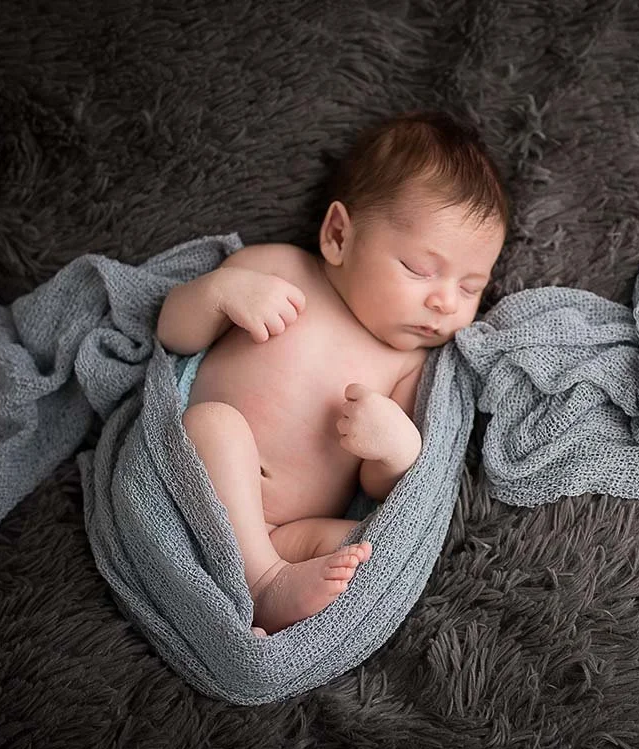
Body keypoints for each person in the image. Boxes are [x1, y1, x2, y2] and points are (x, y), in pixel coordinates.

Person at [156, 110, 510, 635]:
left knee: (370, 545)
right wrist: (219, 295)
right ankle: (259, 581)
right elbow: (173, 333)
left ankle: (265, 586)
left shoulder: (410, 363)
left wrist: (394, 450)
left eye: (470, 287)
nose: (444, 302)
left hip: (294, 531)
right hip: (200, 482)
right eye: (420, 269)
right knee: (213, 426)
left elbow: (381, 484)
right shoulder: (275, 268)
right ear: (339, 236)